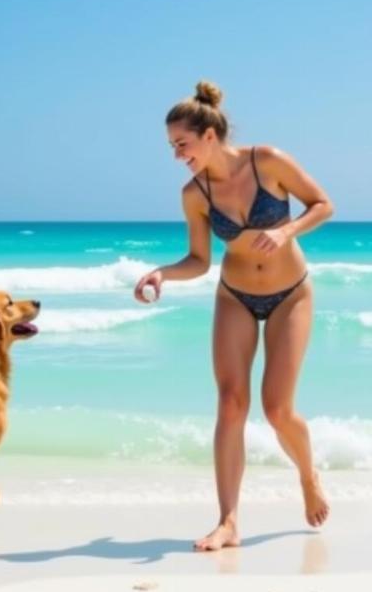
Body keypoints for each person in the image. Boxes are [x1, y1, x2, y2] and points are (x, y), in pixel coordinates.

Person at [134, 80, 333, 551]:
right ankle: (228, 521)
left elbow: (324, 204)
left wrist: (287, 231)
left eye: (181, 144)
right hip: (235, 297)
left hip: (291, 295)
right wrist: (162, 273)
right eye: (171, 146)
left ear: (208, 135)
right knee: (230, 403)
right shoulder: (194, 194)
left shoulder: (267, 161)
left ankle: (307, 475)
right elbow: (199, 260)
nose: (177, 154)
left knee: (277, 410)